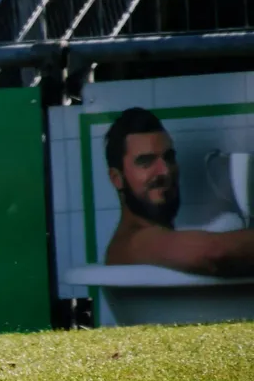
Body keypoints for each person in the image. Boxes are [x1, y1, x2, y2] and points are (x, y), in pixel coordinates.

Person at [102, 107, 254, 276]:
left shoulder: (158, 240)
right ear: (117, 178)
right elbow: (215, 253)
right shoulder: (132, 242)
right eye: (146, 161)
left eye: (169, 157)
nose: (165, 171)